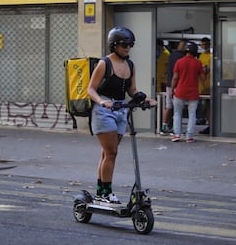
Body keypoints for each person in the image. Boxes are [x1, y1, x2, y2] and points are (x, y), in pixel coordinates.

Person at [87, 26, 157, 203]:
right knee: (111, 153)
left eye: (129, 45)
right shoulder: (105, 63)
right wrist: (102, 101)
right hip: (104, 111)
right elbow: (90, 89)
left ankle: (100, 191)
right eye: (123, 45)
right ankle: (106, 194)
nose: (127, 48)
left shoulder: (130, 65)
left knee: (107, 153)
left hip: (120, 110)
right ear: (114, 45)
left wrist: (146, 99)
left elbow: (132, 90)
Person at [170, 42, 207, 142]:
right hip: (193, 93)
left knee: (177, 114)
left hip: (180, 92)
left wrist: (172, 90)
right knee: (192, 114)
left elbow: (175, 78)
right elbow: (203, 78)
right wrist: (204, 71)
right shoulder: (198, 63)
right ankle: (189, 136)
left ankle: (177, 135)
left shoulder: (179, 62)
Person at [160, 40, 187, 136]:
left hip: (168, 84)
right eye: (184, 45)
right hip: (177, 85)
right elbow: (178, 74)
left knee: (168, 106)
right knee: (177, 108)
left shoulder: (170, 55)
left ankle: (163, 127)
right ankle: (175, 129)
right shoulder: (181, 57)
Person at [198, 37, 211, 134]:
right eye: (203, 44)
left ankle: (211, 125)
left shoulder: (212, 55)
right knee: (207, 106)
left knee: (211, 106)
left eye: (206, 44)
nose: (204, 46)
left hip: (210, 84)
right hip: (203, 85)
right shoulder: (201, 56)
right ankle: (209, 124)